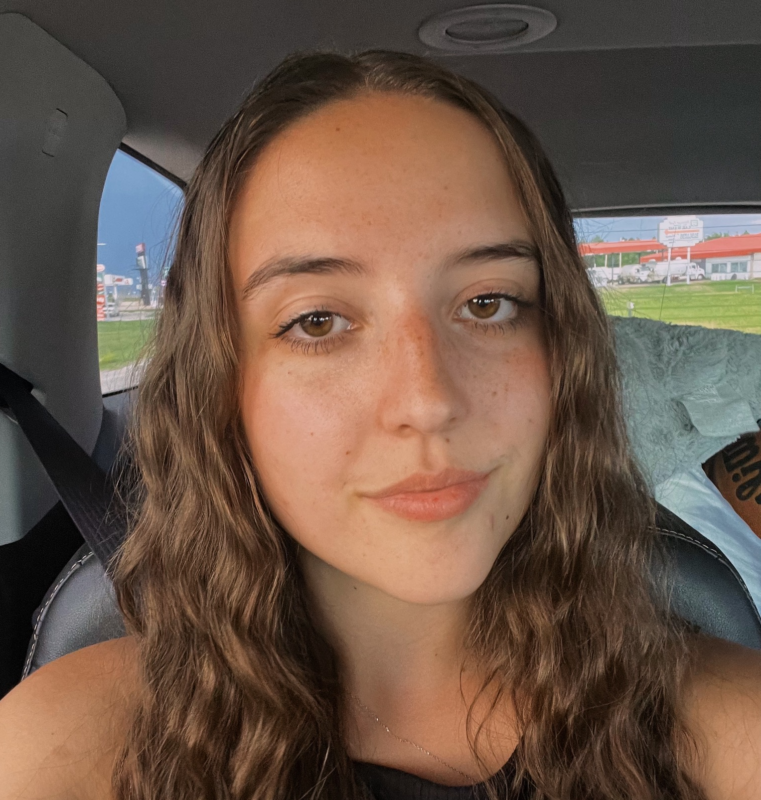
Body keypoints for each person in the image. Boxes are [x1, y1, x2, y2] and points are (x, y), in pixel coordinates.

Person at [1, 49, 760, 800]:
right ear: (221, 384)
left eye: (487, 303)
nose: (427, 400)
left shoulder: (727, 729)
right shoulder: (67, 747)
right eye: (317, 321)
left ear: (563, 353)